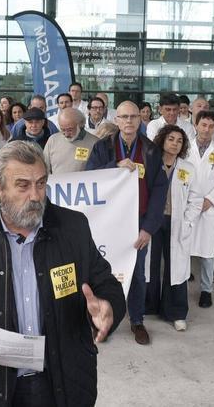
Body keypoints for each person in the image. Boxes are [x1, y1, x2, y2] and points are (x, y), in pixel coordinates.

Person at [0, 140, 125, 406]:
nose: (36, 196)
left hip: (65, 381)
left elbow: (107, 285)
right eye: (23, 185)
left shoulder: (73, 227)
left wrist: (107, 307)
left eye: (41, 183)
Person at [86, 101, 164, 345]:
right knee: (103, 273)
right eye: (124, 117)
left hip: (137, 222)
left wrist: (148, 228)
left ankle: (137, 320)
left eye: (133, 117)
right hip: (108, 222)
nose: (129, 121)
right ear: (116, 120)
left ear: (140, 120)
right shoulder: (102, 147)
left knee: (138, 274)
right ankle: (102, 321)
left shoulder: (150, 150)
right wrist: (115, 167)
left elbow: (160, 191)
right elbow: (90, 178)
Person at [145, 124, 201, 331]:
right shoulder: (150, 164)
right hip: (152, 221)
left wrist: (187, 221)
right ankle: (147, 305)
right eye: (171, 139)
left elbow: (196, 198)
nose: (175, 144)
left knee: (176, 267)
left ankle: (176, 312)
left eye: (179, 141)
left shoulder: (188, 168)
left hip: (176, 222)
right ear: (162, 140)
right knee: (149, 265)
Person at [187, 111, 214, 308]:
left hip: (209, 207)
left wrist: (209, 200)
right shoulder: (184, 146)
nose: (206, 130)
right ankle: (179, 284)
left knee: (207, 251)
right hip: (187, 203)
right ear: (196, 125)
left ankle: (206, 290)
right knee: (183, 246)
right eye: (203, 125)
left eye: (211, 126)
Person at [44, 107, 99, 174]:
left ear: (80, 124)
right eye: (63, 130)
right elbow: (44, 168)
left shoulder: (95, 143)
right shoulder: (53, 140)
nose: (66, 134)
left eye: (70, 130)